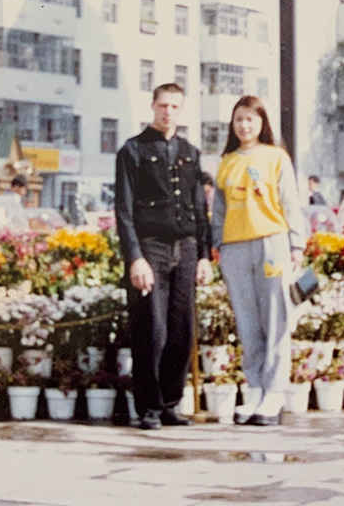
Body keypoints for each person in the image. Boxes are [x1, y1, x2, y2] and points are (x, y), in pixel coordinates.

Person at [114, 83, 213, 430]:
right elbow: (123, 211)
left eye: (174, 106)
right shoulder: (133, 151)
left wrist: (203, 255)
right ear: (152, 106)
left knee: (180, 330)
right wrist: (135, 257)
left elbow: (200, 208)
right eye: (162, 105)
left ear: (181, 110)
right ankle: (149, 407)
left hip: (184, 247)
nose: (167, 112)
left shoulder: (190, 152)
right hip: (151, 247)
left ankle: (171, 403)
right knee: (150, 329)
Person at [211, 95, 306, 426]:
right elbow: (219, 211)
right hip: (235, 248)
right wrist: (217, 245)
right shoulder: (226, 162)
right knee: (247, 322)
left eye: (251, 119)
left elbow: (290, 203)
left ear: (262, 123)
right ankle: (254, 388)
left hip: (272, 244)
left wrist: (296, 245)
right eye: (239, 119)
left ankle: (275, 391)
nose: (244, 125)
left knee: (276, 318)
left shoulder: (276, 157)